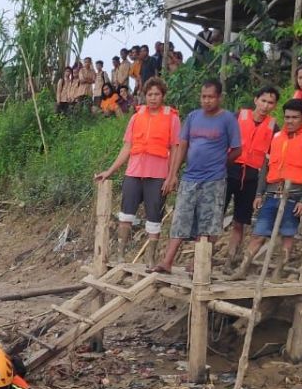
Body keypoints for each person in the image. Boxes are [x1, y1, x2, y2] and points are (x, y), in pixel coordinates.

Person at [150, 80, 241, 275]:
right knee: (181, 218)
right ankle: (167, 262)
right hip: (190, 177)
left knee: (207, 222)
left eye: (211, 97)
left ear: (219, 98)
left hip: (214, 179)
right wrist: (173, 174)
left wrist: (221, 162)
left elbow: (237, 150)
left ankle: (198, 263)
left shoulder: (227, 119)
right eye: (204, 97)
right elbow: (182, 146)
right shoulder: (192, 117)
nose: (206, 101)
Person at [93, 77, 182, 266]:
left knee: (154, 217)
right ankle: (120, 255)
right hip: (134, 172)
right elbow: (127, 147)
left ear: (163, 96)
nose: (153, 98)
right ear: (144, 96)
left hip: (158, 175)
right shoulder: (136, 117)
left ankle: (150, 258)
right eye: (150, 94)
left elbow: (176, 149)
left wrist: (172, 176)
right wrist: (110, 171)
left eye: (157, 94)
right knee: (126, 215)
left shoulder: (172, 118)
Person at [231, 100, 302, 280]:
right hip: (272, 193)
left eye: (295, 117)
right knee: (258, 234)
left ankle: (279, 271)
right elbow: (265, 168)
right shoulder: (277, 137)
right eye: (287, 117)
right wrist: (259, 193)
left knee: (288, 234)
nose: (290, 121)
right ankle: (242, 269)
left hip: (294, 195)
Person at [224, 86, 279, 271]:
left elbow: (272, 157)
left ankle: (229, 260)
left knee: (240, 221)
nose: (265, 106)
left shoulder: (273, 127)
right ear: (256, 100)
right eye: (263, 101)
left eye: (270, 103)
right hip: (229, 170)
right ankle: (201, 260)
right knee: (215, 217)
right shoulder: (238, 116)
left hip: (252, 177)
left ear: (274, 105)